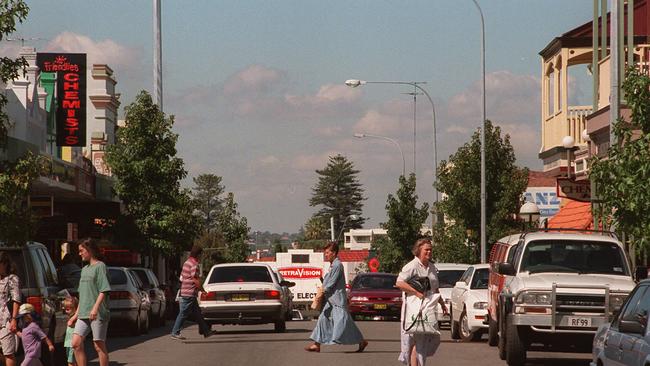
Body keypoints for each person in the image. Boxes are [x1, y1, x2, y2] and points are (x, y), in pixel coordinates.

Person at [305, 242, 368, 353]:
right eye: (325, 253)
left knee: (344, 322)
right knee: (323, 319)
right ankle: (316, 344)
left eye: (328, 253)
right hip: (330, 300)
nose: (326, 255)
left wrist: (322, 291)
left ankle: (361, 341)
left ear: (334, 253)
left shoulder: (337, 265)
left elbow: (331, 283)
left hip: (337, 300)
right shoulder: (332, 265)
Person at [395, 238, 448, 366]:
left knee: (425, 340)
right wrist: (415, 292)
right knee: (412, 340)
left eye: (430, 249)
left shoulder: (432, 267)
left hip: (427, 309)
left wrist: (441, 303)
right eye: (426, 249)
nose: (429, 252)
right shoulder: (412, 266)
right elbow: (399, 283)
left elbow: (435, 288)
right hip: (413, 309)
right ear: (419, 250)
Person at [69, 239, 111, 366]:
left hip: (97, 313)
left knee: (98, 345)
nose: (80, 254)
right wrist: (75, 315)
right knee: (75, 343)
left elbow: (104, 290)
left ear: (90, 250)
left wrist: (95, 308)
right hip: (83, 313)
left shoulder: (100, 266)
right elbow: (83, 295)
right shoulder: (84, 269)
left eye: (81, 251)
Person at [171, 245, 214, 340]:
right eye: (201, 254)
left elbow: (182, 277)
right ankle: (175, 331)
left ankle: (206, 331)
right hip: (189, 292)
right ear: (198, 254)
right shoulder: (194, 264)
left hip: (186, 291)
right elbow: (195, 279)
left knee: (198, 313)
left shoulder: (186, 262)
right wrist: (202, 290)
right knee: (183, 313)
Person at [0, 252, 21, 366]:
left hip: (6, 320)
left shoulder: (12, 278)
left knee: (8, 352)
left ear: (4, 264)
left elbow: (16, 299)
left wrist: (14, 319)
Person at [63, 297, 79, 366]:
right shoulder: (70, 317)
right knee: (72, 361)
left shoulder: (75, 319)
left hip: (73, 344)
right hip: (68, 343)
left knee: (71, 362)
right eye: (66, 309)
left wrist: (72, 321)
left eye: (68, 309)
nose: (66, 311)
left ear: (76, 309)